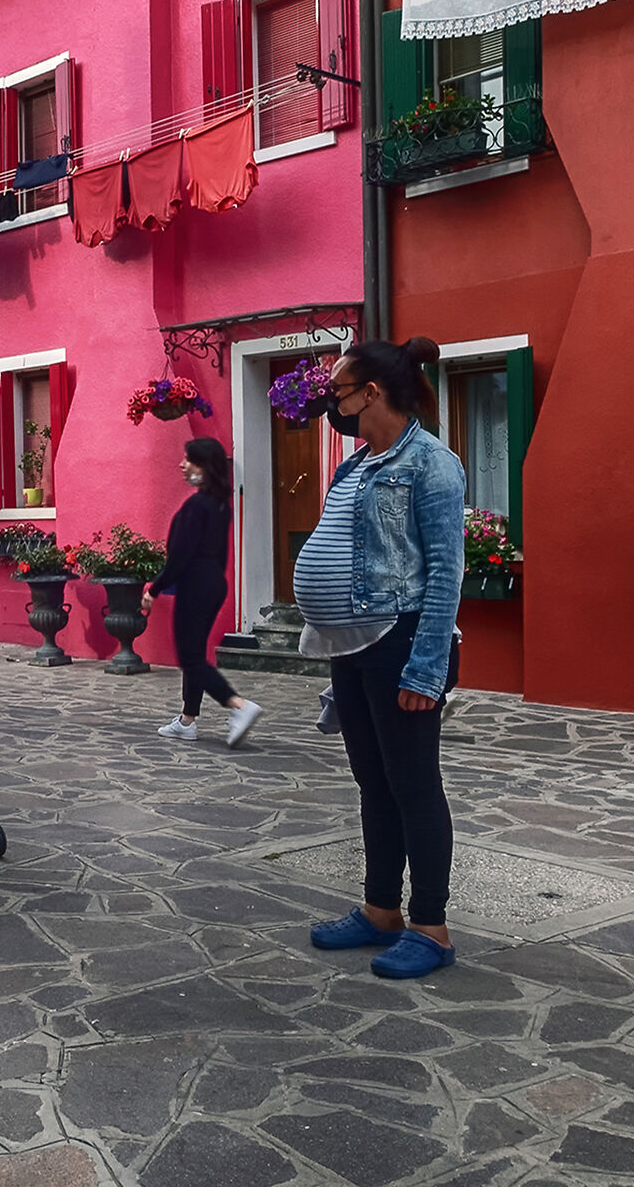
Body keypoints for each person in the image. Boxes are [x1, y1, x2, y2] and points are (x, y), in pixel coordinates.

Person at [296, 338, 466, 980]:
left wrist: (426, 669)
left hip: (402, 645)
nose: (330, 405)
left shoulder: (431, 463)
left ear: (371, 393)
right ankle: (380, 911)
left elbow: (446, 573)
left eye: (337, 391)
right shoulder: (356, 465)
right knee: (374, 785)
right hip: (354, 647)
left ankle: (431, 925)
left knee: (414, 787)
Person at [148, 436, 260, 746]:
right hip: (213, 584)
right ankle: (187, 720)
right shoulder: (219, 504)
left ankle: (238, 705)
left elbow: (180, 556)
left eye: (189, 460)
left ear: (204, 467)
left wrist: (154, 589)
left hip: (196, 586)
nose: (182, 465)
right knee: (193, 653)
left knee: (191, 658)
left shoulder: (197, 506)